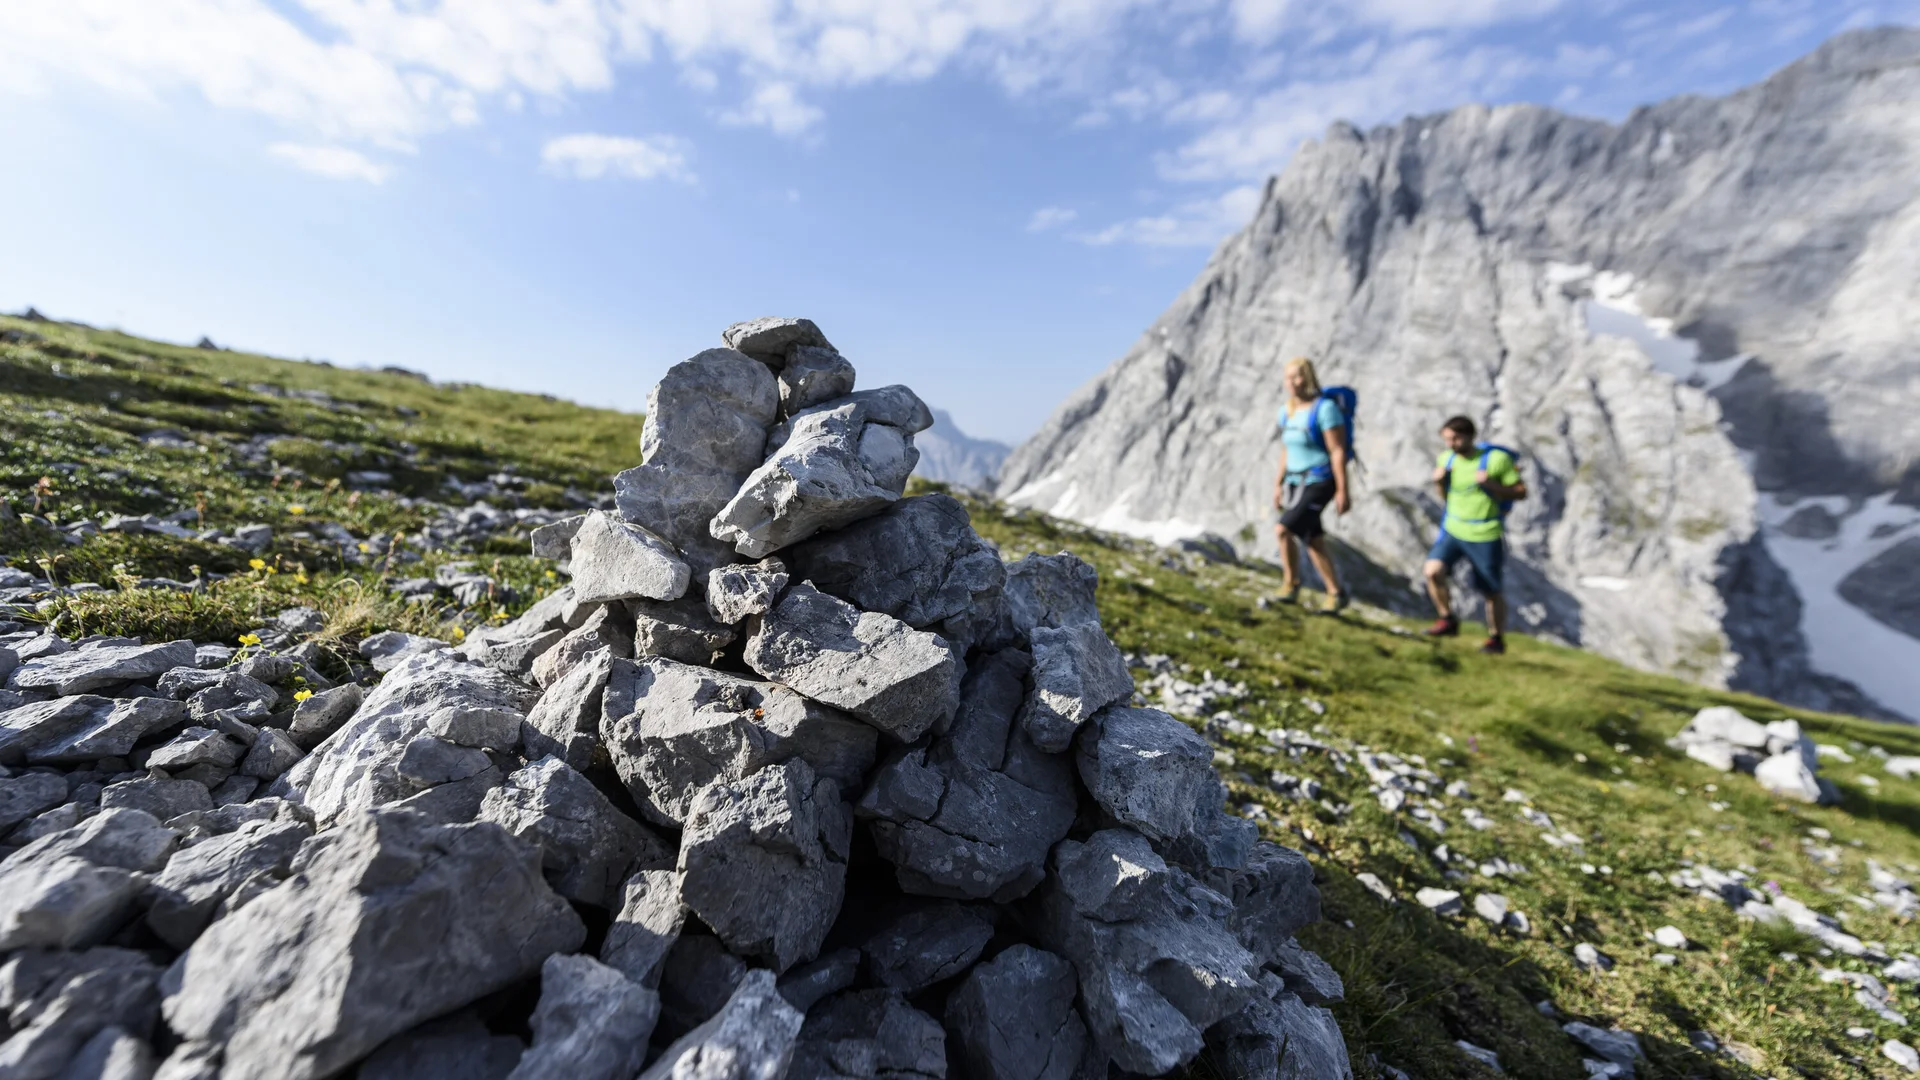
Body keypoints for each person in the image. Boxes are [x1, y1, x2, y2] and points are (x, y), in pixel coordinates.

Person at [1423, 415, 1526, 653]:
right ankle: (1447, 618)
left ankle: (1496, 638)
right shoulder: (1446, 459)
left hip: (1484, 533)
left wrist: (1491, 485)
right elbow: (1447, 496)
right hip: (1453, 529)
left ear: (1470, 436)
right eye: (1447, 439)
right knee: (1432, 571)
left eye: (1455, 439)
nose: (1451, 444)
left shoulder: (1496, 460)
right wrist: (1439, 483)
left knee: (1490, 589)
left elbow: (1521, 492)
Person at [1270, 357, 1351, 613]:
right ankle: (1335, 593)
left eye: (1297, 376)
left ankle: (1291, 584)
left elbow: (1337, 450)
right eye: (1288, 377)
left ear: (1308, 377)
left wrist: (1342, 489)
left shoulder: (1325, 409)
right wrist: (1278, 483)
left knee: (1283, 530)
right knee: (1312, 539)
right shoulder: (1287, 411)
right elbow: (1287, 449)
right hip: (1295, 480)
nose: (1292, 383)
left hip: (1320, 479)